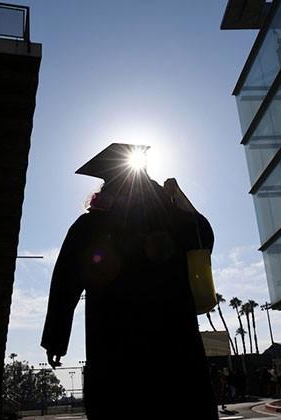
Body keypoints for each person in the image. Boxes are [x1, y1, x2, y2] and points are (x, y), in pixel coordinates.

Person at [41, 143, 218, 419]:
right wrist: (185, 207)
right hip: (175, 350)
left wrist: (56, 337)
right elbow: (204, 241)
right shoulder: (174, 219)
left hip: (115, 351)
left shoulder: (89, 226)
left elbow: (65, 281)